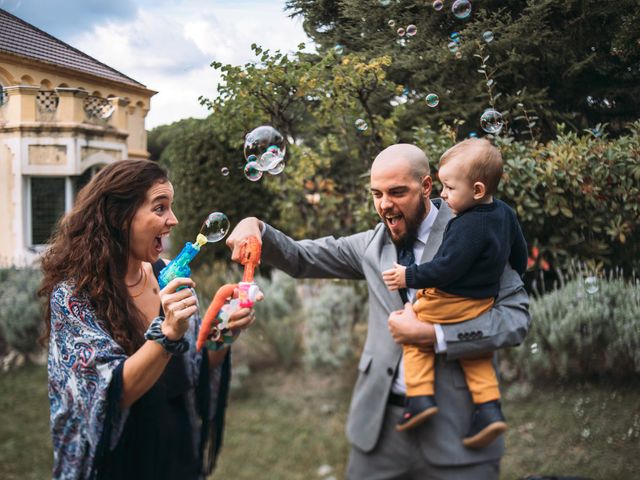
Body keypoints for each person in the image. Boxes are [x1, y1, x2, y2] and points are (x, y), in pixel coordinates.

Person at [226, 143, 530, 480]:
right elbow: (301, 258)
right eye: (377, 194)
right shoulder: (372, 245)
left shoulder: (475, 230)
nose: (385, 204)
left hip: (458, 431)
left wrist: (437, 336)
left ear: (427, 187)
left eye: (397, 192)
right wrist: (256, 227)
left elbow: (515, 319)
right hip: (380, 432)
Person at [39, 159, 257, 480]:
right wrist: (167, 333)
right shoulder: (74, 296)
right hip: (120, 464)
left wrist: (224, 330)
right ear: (118, 216)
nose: (173, 220)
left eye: (171, 207)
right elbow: (110, 397)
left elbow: (193, 367)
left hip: (177, 457)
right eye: (160, 208)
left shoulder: (168, 274)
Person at [381, 139, 527, 448]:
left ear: (476, 190)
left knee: (410, 326)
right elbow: (519, 254)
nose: (442, 195)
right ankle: (489, 409)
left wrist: (409, 276)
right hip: (483, 301)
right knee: (475, 354)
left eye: (448, 188)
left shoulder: (466, 226)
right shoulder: (505, 213)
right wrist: (509, 273)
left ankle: (419, 397)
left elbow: (445, 269)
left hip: (453, 299)